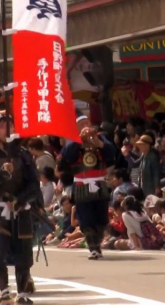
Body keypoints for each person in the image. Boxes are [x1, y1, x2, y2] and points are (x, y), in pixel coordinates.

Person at [0, 111, 39, 304]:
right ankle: (4, 291)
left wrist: (20, 200)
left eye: (10, 126)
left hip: (20, 208)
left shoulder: (23, 155)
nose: (6, 130)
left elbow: (34, 185)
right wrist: (2, 174)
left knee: (23, 254)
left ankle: (22, 293)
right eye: (2, 126)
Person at [57, 110, 116, 260]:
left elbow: (111, 154)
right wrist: (79, 141)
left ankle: (98, 243)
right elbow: (66, 158)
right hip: (82, 183)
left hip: (99, 181)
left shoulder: (100, 137)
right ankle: (93, 248)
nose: (85, 126)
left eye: (86, 123)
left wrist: (99, 143)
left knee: (101, 216)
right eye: (81, 124)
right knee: (86, 217)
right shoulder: (73, 141)